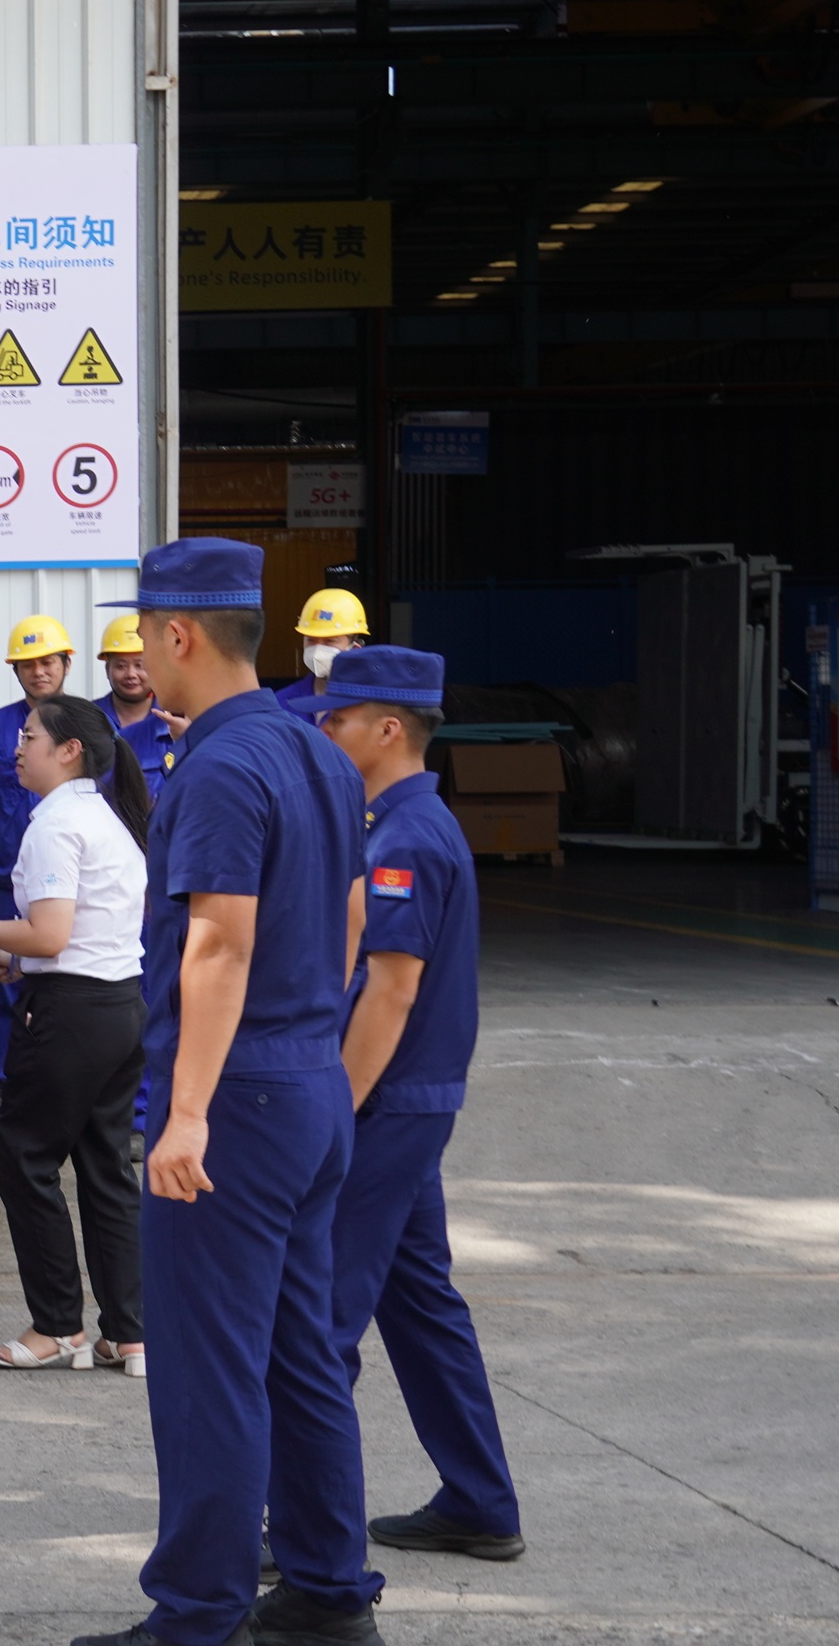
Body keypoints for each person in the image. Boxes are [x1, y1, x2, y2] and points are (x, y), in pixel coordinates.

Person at [70, 538, 380, 1646]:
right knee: (302, 1357)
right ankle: (328, 1592)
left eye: (145, 633)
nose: (140, 653)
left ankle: (200, 1613)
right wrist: (307, 1042)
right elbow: (351, 917)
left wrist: (189, 1110)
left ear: (179, 634)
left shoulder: (215, 765)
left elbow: (217, 942)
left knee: (209, 1367)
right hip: (306, 1084)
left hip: (234, 1101)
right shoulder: (317, 753)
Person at [300, 647, 524, 1566]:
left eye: (339, 718)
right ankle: (479, 1500)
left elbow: (390, 992)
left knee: (319, 1323)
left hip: (386, 1106)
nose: (324, 730)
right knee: (419, 1303)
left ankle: (301, 1532)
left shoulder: (407, 841)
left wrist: (335, 1114)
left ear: (389, 729)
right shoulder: (399, 826)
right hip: (408, 1105)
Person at [0, 695, 149, 1376]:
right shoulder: (105, 816)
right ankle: (130, 1332)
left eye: (29, 737)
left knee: (25, 1160)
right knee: (107, 1169)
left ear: (69, 750)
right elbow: (81, 932)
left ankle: (57, 1325)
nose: (16, 748)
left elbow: (51, 933)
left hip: (70, 1015)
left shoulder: (56, 824)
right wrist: (21, 961)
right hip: (117, 1004)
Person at [0, 616, 79, 1124]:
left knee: (70, 982)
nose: (39, 672)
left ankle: (65, 1080)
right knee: (7, 979)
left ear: (66, 664)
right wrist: (5, 838)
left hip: (72, 880)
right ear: (15, 670)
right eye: (28, 664)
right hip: (8, 881)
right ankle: (4, 1080)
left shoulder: (85, 723)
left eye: (48, 662)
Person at [98, 614, 177, 802]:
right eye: (121, 666)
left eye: (139, 665)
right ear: (107, 669)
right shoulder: (89, 720)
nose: (131, 674)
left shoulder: (173, 724)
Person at [275, 589, 370, 713]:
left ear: (355, 649)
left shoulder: (370, 705)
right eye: (311, 640)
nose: (317, 650)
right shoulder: (282, 703)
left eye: (329, 641)